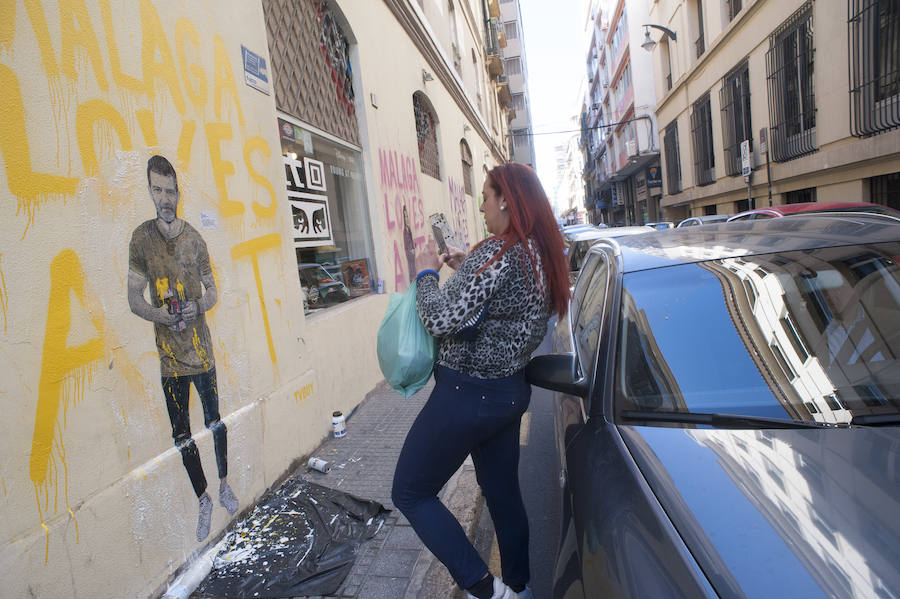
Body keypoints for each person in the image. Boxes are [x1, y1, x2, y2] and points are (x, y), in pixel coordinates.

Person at [391, 163, 570, 599]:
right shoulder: (538, 253)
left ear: (507, 199)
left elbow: (438, 317)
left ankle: (484, 589)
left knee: (410, 491)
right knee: (503, 493)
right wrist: (466, 264)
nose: (482, 206)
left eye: (486, 197)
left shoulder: (500, 254)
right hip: (509, 394)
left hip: (466, 395)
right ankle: (519, 587)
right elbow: (494, 308)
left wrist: (425, 273)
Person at [127, 155, 238, 542]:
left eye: (170, 190)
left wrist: (197, 307)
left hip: (202, 353)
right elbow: (133, 299)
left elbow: (212, 292)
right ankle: (204, 498)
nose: (165, 198)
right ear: (150, 191)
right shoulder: (141, 239)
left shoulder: (195, 238)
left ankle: (224, 484)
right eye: (157, 190)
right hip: (170, 361)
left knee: (216, 422)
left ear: (178, 191)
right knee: (183, 436)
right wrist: (161, 315)